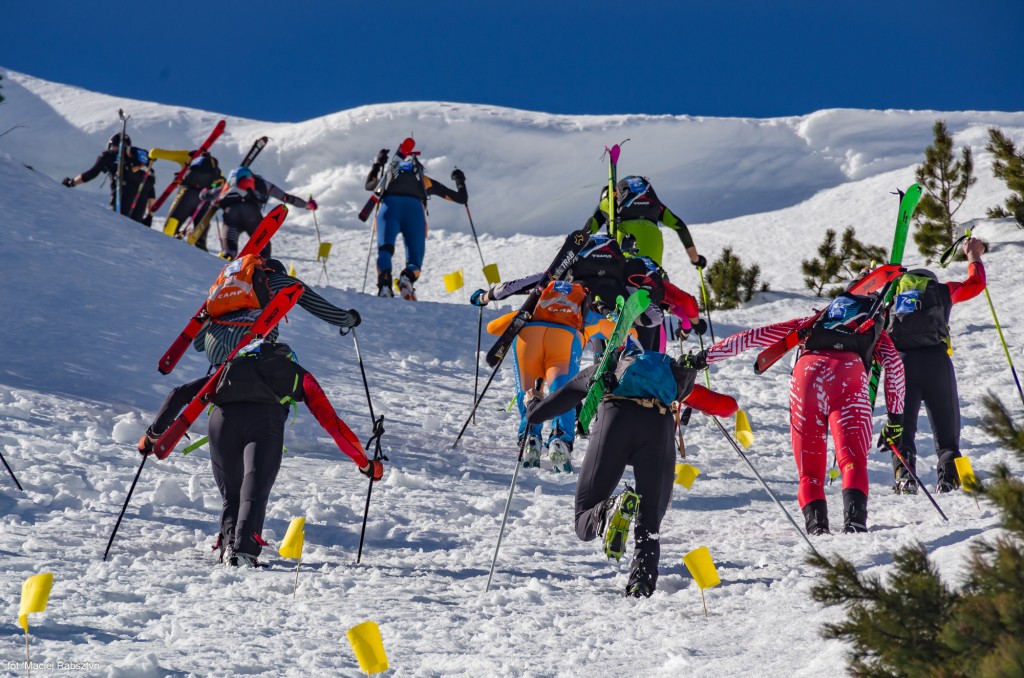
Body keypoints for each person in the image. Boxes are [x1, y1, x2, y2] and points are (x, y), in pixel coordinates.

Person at [138, 340, 383, 567]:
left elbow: (178, 394)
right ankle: (243, 553)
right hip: (264, 422)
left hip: (221, 422)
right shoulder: (296, 373)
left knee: (232, 495)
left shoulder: (230, 368)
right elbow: (332, 422)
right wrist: (364, 463)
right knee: (253, 491)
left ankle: (228, 547)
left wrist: (152, 437)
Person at [523, 340, 735, 597]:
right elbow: (727, 407)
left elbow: (545, 411)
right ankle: (641, 583)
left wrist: (532, 403)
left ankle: (608, 510)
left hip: (615, 420)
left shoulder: (604, 370)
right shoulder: (667, 379)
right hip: (658, 425)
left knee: (584, 519)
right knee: (650, 520)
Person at [696, 276, 906, 535]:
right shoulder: (873, 331)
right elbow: (895, 368)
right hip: (849, 376)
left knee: (810, 472)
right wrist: (895, 420)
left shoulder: (814, 323)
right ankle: (855, 524)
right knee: (852, 459)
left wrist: (704, 357)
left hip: (807, 376)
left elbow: (752, 337)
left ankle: (817, 528)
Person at [886, 237, 986, 494]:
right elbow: (976, 285)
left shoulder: (890, 298)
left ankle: (904, 477)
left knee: (903, 428)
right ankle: (949, 479)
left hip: (901, 365)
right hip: (936, 362)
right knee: (947, 430)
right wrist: (973, 255)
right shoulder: (942, 291)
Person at [193, 258, 361, 367]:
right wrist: (348, 319)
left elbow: (198, 345)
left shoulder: (233, 293)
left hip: (212, 350)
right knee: (287, 362)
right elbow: (318, 306)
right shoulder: (280, 281)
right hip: (245, 342)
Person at [364, 138, 468, 299]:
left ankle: (385, 285)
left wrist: (378, 163)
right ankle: (407, 278)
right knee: (414, 258)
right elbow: (461, 198)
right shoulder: (424, 181)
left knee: (385, 250)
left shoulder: (388, 179)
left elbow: (369, 185)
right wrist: (459, 179)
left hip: (388, 207)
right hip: (415, 211)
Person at [585, 175, 705, 270]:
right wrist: (695, 259)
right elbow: (680, 226)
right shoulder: (655, 206)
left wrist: (575, 249)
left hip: (627, 245)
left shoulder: (608, 204)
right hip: (654, 244)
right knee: (653, 285)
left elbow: (589, 229)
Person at [216, 166, 316, 259]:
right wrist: (307, 205)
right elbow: (286, 197)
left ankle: (227, 258)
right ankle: (263, 266)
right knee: (262, 248)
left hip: (230, 214)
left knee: (229, 249)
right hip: (251, 214)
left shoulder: (227, 185)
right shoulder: (261, 183)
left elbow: (209, 196)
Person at [63, 134, 154, 225]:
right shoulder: (140, 163)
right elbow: (150, 190)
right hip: (139, 210)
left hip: (121, 202)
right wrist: (150, 217)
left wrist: (71, 182)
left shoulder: (108, 156)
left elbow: (91, 173)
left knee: (119, 229)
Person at [149, 148, 224, 251]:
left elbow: (154, 152)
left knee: (170, 230)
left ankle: (162, 252)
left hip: (186, 194)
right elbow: (221, 184)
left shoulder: (188, 156)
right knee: (199, 239)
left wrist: (151, 156)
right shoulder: (215, 168)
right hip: (204, 200)